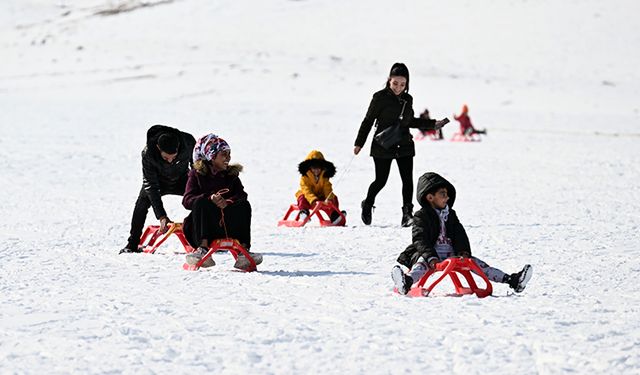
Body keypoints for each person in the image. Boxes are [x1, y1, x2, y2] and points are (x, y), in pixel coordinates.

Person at [391, 172, 532, 295]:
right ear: (430, 197)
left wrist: (463, 251)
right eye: (443, 194)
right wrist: (431, 257)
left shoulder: (450, 214)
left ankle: (513, 280)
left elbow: (459, 234)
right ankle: (406, 282)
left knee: (480, 265)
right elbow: (420, 239)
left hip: (453, 253)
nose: (447, 198)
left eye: (447, 195)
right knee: (420, 266)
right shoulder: (421, 216)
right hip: (431, 255)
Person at [354, 62, 449, 227]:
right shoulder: (379, 98)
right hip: (383, 145)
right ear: (389, 80)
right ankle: (368, 203)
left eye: (402, 84)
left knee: (407, 180)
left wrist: (433, 124)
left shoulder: (407, 99)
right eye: (395, 83)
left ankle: (407, 214)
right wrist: (359, 143)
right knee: (381, 180)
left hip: (404, 143)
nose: (398, 87)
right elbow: (368, 121)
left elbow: (410, 121)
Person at [181, 134, 262, 269]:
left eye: (229, 154)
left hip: (226, 226)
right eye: (224, 154)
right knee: (201, 203)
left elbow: (241, 195)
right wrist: (209, 198)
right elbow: (187, 200)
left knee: (244, 205)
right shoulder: (196, 175)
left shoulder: (231, 175)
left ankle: (244, 251)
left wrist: (228, 202)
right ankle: (203, 249)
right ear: (212, 157)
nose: (228, 158)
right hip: (203, 228)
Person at [120, 124, 196, 254]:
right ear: (158, 148)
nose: (171, 161)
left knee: (201, 199)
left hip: (182, 179)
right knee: (142, 203)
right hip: (158, 182)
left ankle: (208, 238)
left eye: (174, 156)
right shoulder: (148, 153)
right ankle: (132, 243)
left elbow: (196, 167)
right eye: (166, 158)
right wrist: (162, 216)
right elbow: (151, 185)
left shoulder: (188, 142)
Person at [295, 150, 346, 225]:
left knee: (333, 198)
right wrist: (313, 200)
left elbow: (327, 188)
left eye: (318, 168)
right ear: (309, 167)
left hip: (321, 196)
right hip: (309, 198)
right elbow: (306, 190)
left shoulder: (324, 176)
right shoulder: (305, 177)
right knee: (302, 197)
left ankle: (334, 215)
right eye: (314, 168)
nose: (316, 170)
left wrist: (329, 198)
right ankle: (304, 212)